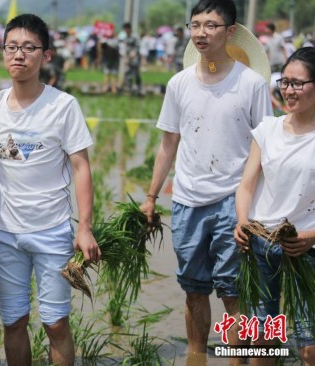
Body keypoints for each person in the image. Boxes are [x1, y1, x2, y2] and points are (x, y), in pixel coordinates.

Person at [139, 0, 273, 364]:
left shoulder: (251, 84)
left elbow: (266, 146)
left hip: (235, 202)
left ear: (230, 32)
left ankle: (236, 360)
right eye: (195, 24)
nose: (201, 32)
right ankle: (196, 356)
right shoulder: (179, 83)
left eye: (211, 25)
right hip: (186, 201)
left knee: (235, 292)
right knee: (193, 290)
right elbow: (169, 143)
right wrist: (151, 196)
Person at [0, 13, 100, 366]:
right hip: (5, 233)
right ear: (2, 52)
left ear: (45, 55)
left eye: (29, 47)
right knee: (13, 321)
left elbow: (81, 168)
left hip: (53, 231)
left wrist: (84, 227)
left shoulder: (62, 106)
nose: (19, 55)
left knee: (56, 323)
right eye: (11, 47)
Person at [235, 47, 315, 366]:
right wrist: (242, 221)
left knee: (308, 345)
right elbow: (246, 185)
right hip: (261, 243)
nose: (289, 90)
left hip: (306, 248)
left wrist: (311, 236)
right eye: (285, 82)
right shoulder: (267, 130)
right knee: (263, 338)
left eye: (298, 83)